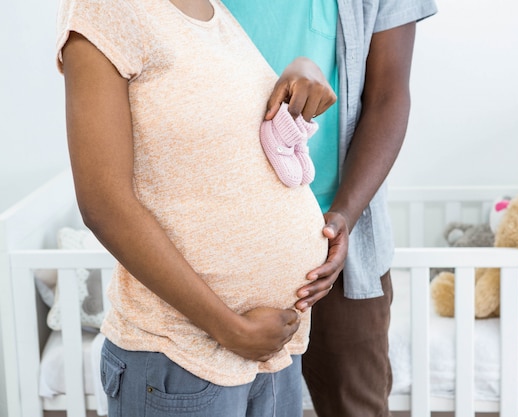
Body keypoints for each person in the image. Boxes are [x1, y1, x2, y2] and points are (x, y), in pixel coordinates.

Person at [56, 0, 343, 415]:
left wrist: (302, 67)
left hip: (272, 353)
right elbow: (104, 204)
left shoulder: (214, 11)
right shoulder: (104, 7)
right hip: (183, 355)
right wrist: (231, 329)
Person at [222, 1, 438, 416]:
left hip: (338, 240)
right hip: (222, 241)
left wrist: (343, 217)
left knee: (355, 404)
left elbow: (389, 97)